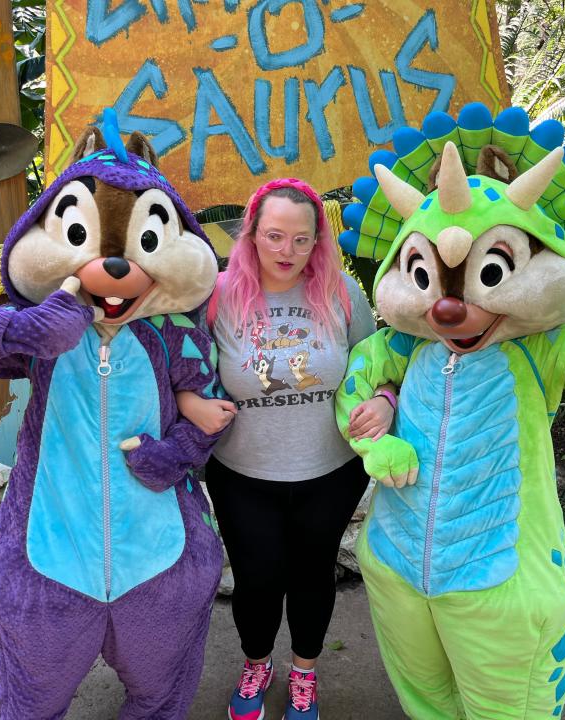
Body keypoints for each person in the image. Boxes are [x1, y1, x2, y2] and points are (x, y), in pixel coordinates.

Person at [176, 177, 395, 720]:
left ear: (318, 240)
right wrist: (187, 401)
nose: (287, 252)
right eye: (274, 236)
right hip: (243, 471)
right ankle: (256, 662)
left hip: (331, 470)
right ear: (250, 233)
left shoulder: (342, 292)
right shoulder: (219, 294)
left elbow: (383, 367)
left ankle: (304, 671)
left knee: (312, 574)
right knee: (256, 579)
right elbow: (175, 367)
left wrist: (387, 402)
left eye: (301, 240)